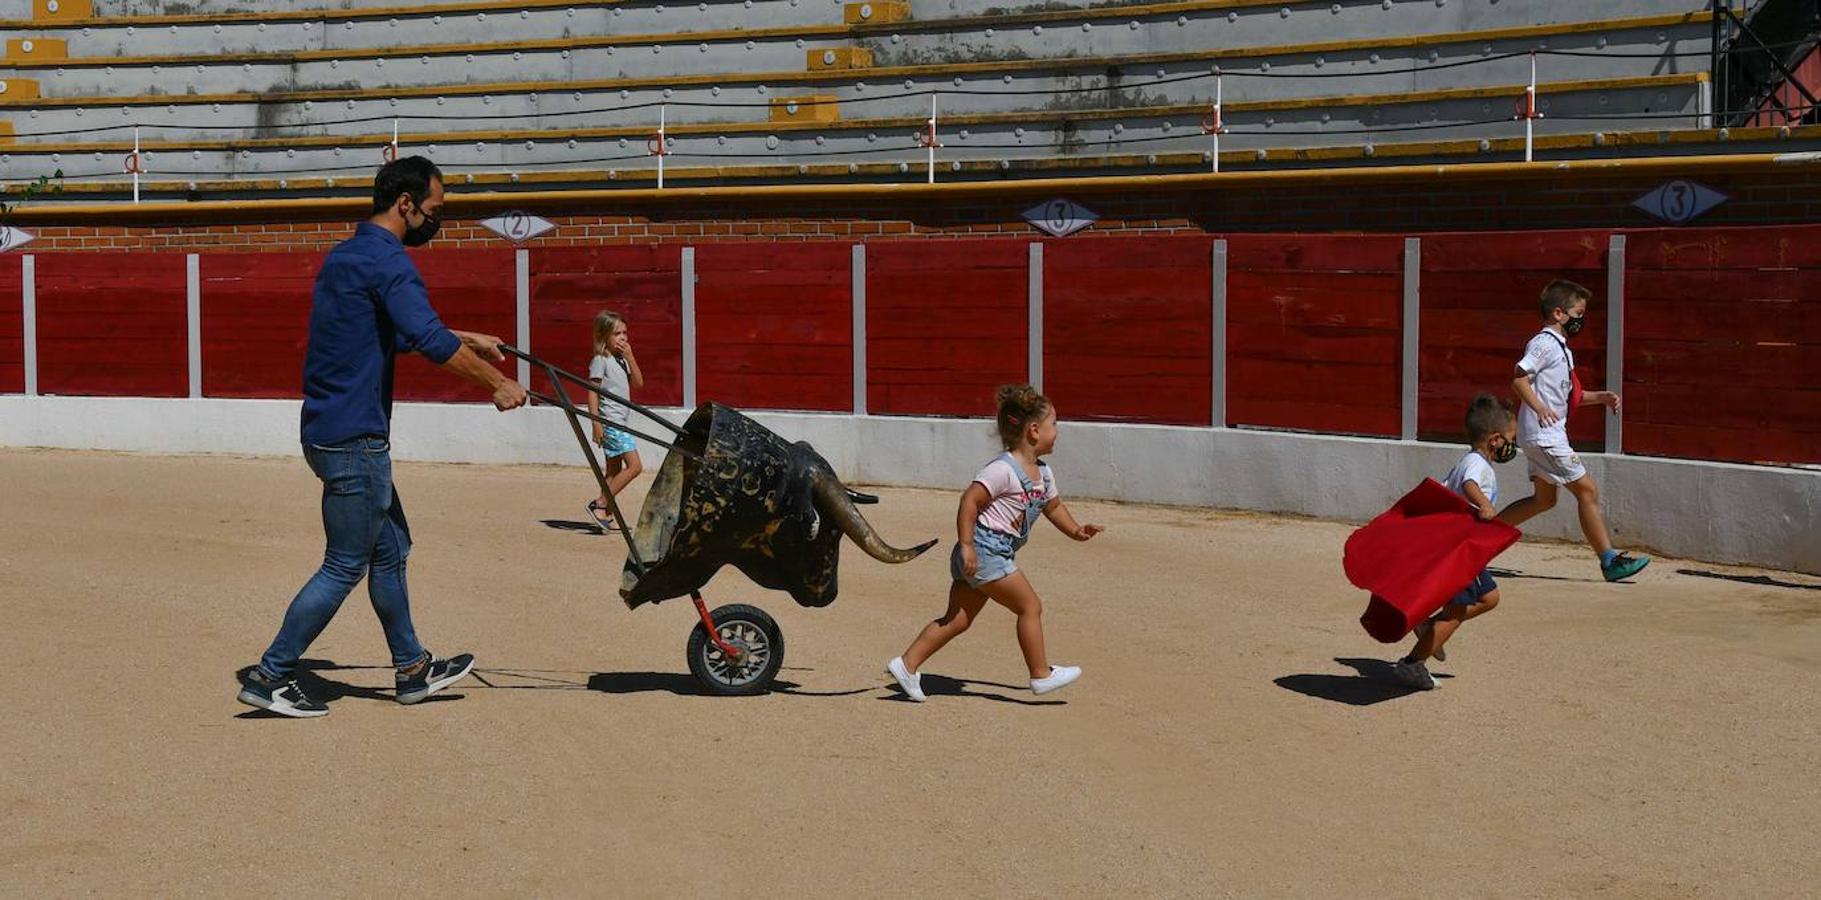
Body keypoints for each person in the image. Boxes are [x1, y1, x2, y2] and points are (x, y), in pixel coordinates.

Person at [237, 156, 529, 718]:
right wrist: (497, 383)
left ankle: (412, 669)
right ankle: (271, 674)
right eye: (434, 211)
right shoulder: (388, 261)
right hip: (356, 439)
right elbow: (425, 338)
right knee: (345, 564)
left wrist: (467, 335)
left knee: (390, 553)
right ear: (406, 204)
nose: (434, 222)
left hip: (330, 429)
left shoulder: (346, 256)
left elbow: (387, 334)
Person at [886, 384, 1104, 701]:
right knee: (1030, 606)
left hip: (985, 553)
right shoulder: (1002, 469)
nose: (1057, 431)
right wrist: (967, 545)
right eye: (1053, 424)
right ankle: (1041, 675)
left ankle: (906, 665)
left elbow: (1052, 506)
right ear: (1033, 431)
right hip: (984, 551)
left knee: (958, 619)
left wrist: (1076, 530)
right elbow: (970, 501)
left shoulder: (1044, 473)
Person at [1497, 279, 1650, 583]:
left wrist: (1601, 398)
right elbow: (1518, 378)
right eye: (1578, 312)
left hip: (1543, 432)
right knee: (1588, 490)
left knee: (1544, 500)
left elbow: (1569, 397)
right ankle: (1609, 560)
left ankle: (1480, 541)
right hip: (1546, 433)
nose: (1582, 319)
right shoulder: (1543, 343)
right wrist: (1539, 407)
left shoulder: (1560, 348)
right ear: (1558, 313)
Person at [1393, 394, 1516, 691]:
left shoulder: (1469, 459)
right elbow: (1468, 485)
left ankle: (1427, 627)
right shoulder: (1477, 465)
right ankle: (1412, 664)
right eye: (1512, 439)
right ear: (1495, 440)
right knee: (1456, 614)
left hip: (1462, 548)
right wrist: (1485, 505)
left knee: (1489, 598)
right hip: (1458, 548)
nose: (1514, 446)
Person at [585, 310, 645, 532]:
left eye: (625, 333)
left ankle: (605, 512)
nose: (623, 338)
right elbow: (592, 392)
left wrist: (631, 357)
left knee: (613, 471)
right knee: (635, 466)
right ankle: (600, 504)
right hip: (610, 422)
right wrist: (596, 423)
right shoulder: (601, 360)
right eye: (617, 333)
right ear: (604, 337)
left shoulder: (622, 360)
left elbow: (639, 383)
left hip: (621, 420)